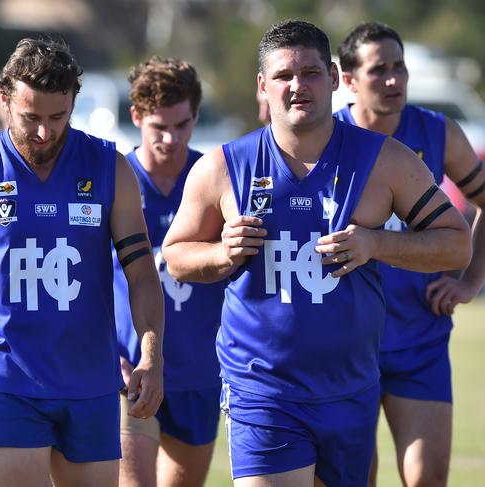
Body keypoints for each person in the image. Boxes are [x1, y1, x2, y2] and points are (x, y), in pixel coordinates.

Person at [162, 19, 472, 486]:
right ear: (263, 86)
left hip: (350, 389)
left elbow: (456, 242)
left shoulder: (386, 160)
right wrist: (222, 254)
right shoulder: (225, 167)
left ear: (332, 78)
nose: (297, 86)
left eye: (309, 73)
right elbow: (176, 254)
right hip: (262, 388)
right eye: (284, 76)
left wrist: (376, 243)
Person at [0, 38, 165, 487]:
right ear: (4, 98)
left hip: (90, 381)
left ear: (74, 100)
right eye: (31, 117)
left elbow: (142, 272)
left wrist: (151, 354)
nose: (43, 133)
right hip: (7, 379)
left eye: (58, 117)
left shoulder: (110, 168)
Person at [335, 21, 485, 487]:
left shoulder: (438, 133)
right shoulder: (324, 137)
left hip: (420, 339)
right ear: (348, 79)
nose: (394, 80)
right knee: (354, 479)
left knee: (427, 479)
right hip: (343, 346)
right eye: (379, 70)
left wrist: (470, 280)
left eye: (400, 67)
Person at [114, 57, 226, 487]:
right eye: (159, 126)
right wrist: (110, 353)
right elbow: (85, 282)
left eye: (182, 125)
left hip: (199, 373)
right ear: (136, 116)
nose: (170, 138)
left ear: (195, 116)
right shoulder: (116, 180)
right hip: (132, 371)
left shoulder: (215, 179)